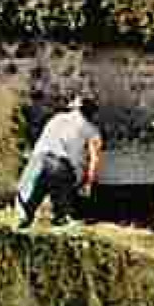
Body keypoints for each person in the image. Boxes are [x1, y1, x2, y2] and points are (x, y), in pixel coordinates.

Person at [13, 94, 103, 229]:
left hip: (39, 159)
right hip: (61, 167)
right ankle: (60, 218)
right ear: (92, 112)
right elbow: (94, 159)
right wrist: (88, 182)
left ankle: (22, 223)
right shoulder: (92, 130)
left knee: (26, 200)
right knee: (61, 206)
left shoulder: (57, 118)